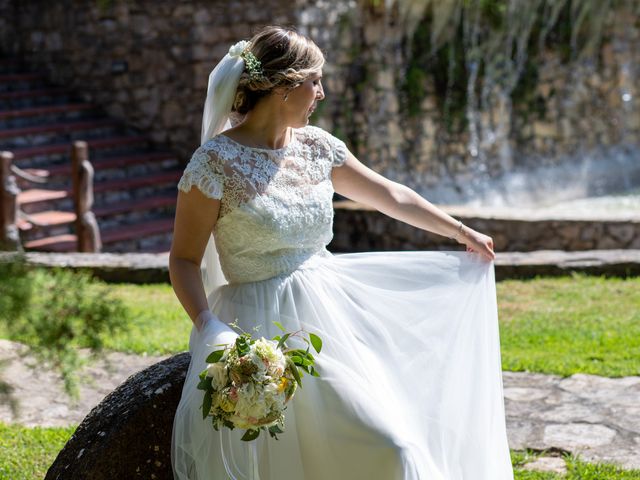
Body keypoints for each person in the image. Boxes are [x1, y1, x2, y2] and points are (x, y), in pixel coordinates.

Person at [170, 25, 514, 480]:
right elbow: (184, 260)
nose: (321, 92)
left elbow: (390, 196)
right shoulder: (214, 163)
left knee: (396, 442)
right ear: (282, 89)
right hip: (260, 327)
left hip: (333, 313)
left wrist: (459, 231)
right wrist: (208, 327)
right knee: (368, 449)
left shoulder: (317, 147)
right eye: (314, 81)